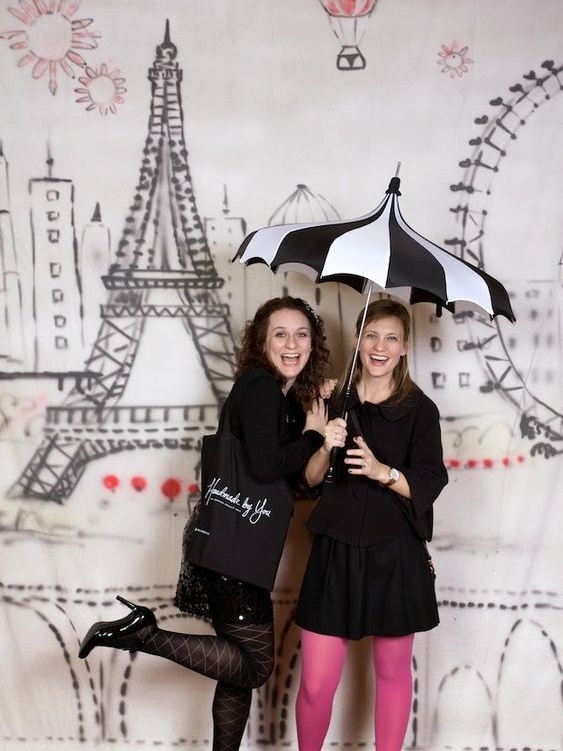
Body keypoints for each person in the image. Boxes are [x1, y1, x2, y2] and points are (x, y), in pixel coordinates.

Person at [78, 296, 340, 751]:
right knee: (256, 666)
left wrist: (316, 405)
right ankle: (145, 633)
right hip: (237, 555)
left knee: (236, 669)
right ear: (262, 343)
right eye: (280, 334)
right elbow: (265, 464)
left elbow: (294, 475)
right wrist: (315, 435)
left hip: (232, 545)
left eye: (302, 335)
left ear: (313, 343)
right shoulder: (260, 388)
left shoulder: (272, 396)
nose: (292, 344)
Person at [295, 298, 448, 751]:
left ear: (404, 347)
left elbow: (430, 478)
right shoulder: (330, 397)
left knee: (392, 673)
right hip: (335, 551)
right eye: (371, 335)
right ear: (359, 339)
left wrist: (384, 472)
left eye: (391, 338)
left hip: (394, 552)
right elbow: (307, 480)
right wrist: (324, 445)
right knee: (317, 683)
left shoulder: (422, 410)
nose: (380, 346)